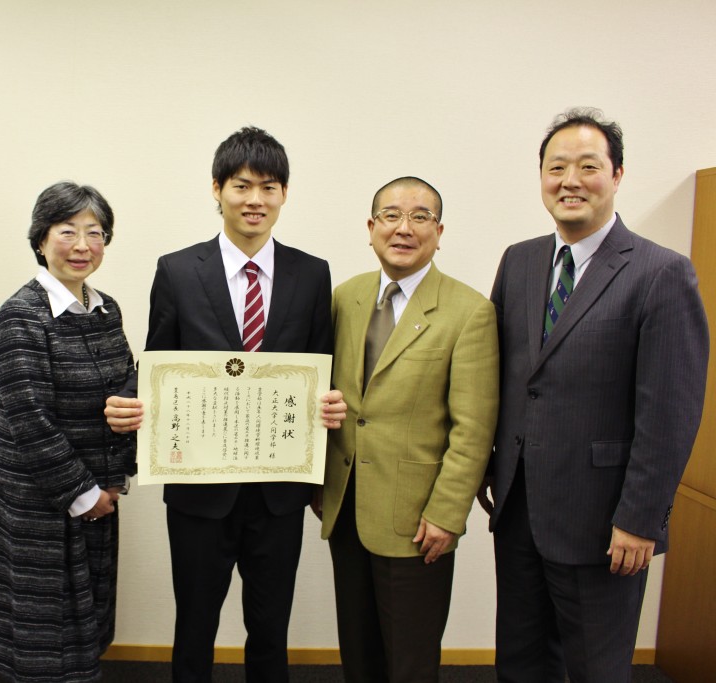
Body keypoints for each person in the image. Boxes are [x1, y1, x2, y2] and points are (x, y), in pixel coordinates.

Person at [104, 126, 346, 683]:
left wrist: (328, 406)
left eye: (268, 187)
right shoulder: (177, 270)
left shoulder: (312, 273)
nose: (255, 200)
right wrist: (134, 403)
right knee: (194, 626)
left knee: (271, 628)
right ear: (217, 189)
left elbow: (321, 368)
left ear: (284, 194)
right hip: (199, 489)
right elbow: (158, 365)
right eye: (242, 185)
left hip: (279, 492)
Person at [480, 108, 709, 682]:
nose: (570, 181)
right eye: (556, 168)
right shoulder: (519, 260)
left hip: (604, 521)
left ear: (617, 175)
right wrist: (488, 467)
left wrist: (641, 519)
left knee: (595, 669)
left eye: (588, 166)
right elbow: (500, 377)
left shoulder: (661, 273)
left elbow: (671, 412)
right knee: (520, 663)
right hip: (519, 507)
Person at [313, 177, 499, 682]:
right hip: (346, 506)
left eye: (420, 217)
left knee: (410, 661)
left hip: (418, 519)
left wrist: (447, 514)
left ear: (439, 232)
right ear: (371, 228)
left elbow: (474, 428)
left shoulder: (469, 311)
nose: (404, 228)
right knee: (358, 653)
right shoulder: (345, 297)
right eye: (391, 215)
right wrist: (318, 481)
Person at [0, 181, 136, 683]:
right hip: (37, 500)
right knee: (37, 637)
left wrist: (114, 480)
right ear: (41, 240)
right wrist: (85, 493)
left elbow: (125, 394)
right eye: (68, 231)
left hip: (98, 493)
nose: (82, 245)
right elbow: (28, 418)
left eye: (95, 232)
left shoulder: (106, 308)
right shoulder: (21, 314)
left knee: (83, 624)